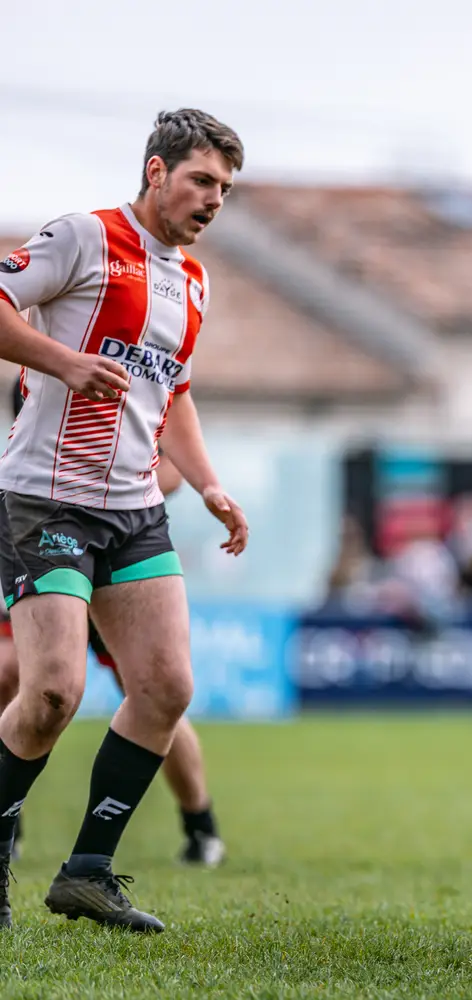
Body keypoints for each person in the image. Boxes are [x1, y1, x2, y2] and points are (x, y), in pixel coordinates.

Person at [0, 109, 249, 932]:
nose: (213, 199)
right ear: (156, 171)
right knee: (51, 693)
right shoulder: (83, 236)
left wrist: (209, 486)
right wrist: (65, 362)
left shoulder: (195, 281)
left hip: (135, 510)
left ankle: (87, 873)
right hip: (46, 498)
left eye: (225, 188)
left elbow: (173, 392)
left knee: (167, 688)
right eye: (202, 180)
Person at [0, 377, 226, 868]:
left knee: (158, 693)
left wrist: (116, 486)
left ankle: (200, 824)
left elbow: (170, 469)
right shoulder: (40, 423)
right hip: (52, 543)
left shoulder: (134, 398)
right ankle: (11, 828)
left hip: (116, 550)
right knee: (15, 679)